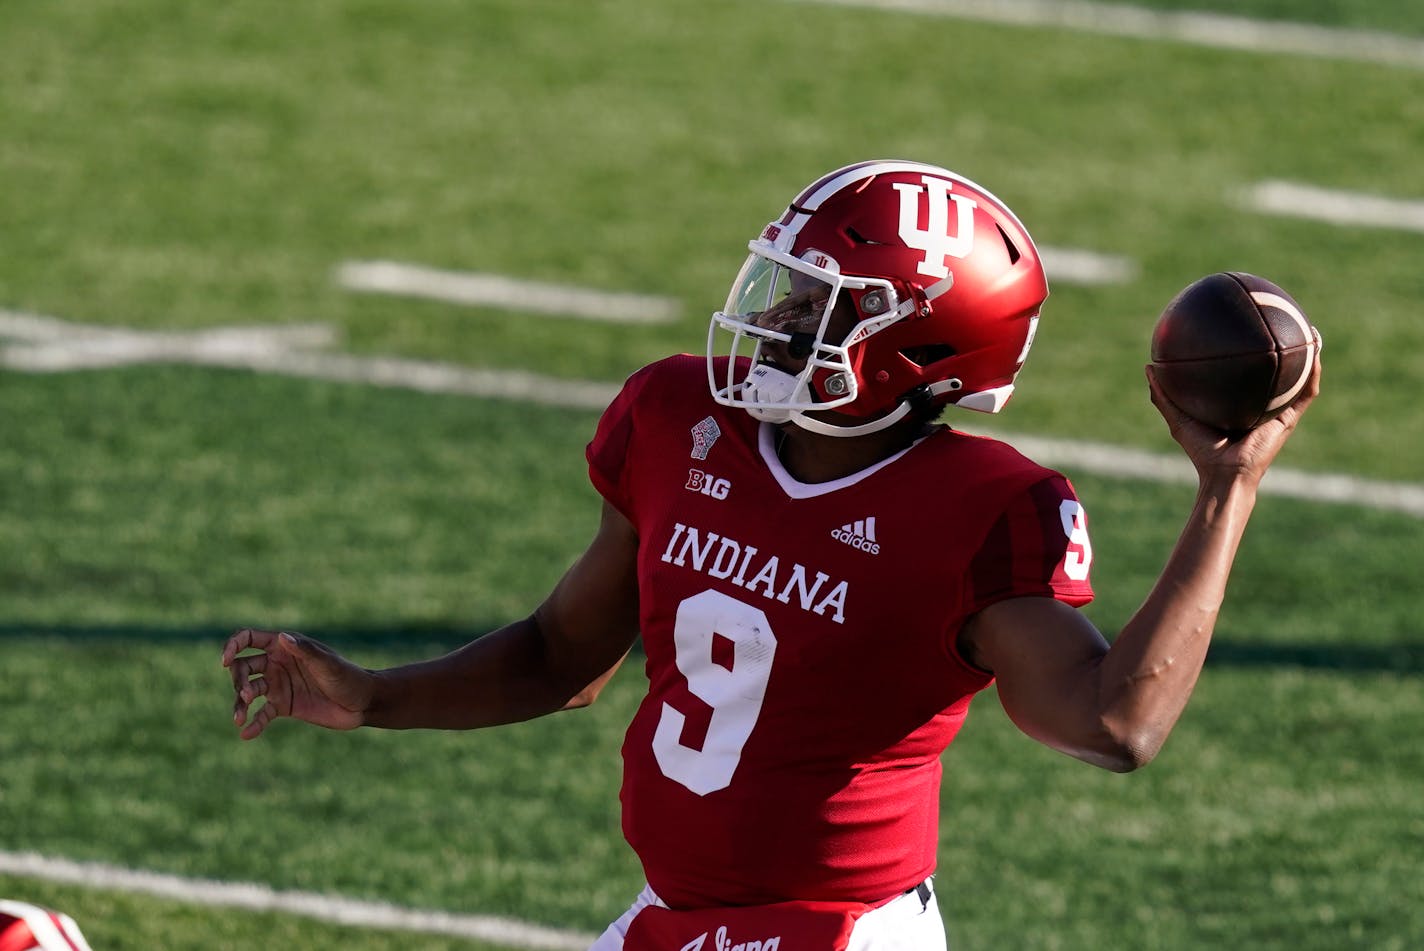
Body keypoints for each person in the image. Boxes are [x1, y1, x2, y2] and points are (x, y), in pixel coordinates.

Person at [223, 160, 1320, 950]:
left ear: (915, 350)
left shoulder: (980, 506)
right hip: (675, 917)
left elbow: (1111, 724)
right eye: (784, 284)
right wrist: (372, 696)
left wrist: (1227, 489)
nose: (778, 315)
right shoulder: (674, 416)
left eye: (820, 304)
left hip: (833, 931)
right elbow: (563, 654)